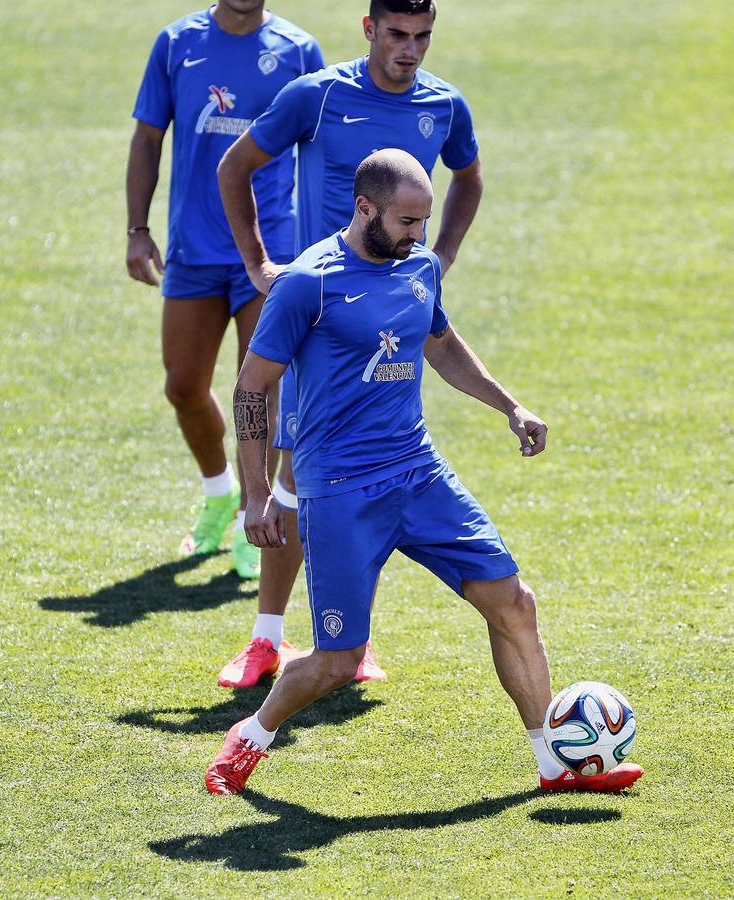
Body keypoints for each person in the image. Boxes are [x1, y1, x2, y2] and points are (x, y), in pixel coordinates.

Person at [205, 150, 645, 795]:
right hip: (341, 492)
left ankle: (556, 763)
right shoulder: (309, 283)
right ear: (365, 208)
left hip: (419, 474)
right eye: (407, 222)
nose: (418, 236)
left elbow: (439, 344)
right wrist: (257, 495)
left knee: (513, 603)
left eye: (425, 221)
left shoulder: (419, 270)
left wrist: (510, 405)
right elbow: (251, 389)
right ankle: (252, 736)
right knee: (337, 661)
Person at [214, 0, 484, 688]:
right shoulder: (318, 94)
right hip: (321, 315)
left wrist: (442, 255)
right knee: (293, 470)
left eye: (423, 36)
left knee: (370, 472)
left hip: (384, 319)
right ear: (369, 29)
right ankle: (267, 638)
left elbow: (469, 177)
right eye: (397, 33)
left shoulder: (444, 105)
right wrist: (257, 265)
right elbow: (235, 165)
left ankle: (347, 638)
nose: (410, 49)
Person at [126, 1, 323, 578]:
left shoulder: (298, 50)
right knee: (183, 387)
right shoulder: (175, 42)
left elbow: (318, 156)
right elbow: (147, 138)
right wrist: (138, 230)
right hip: (192, 247)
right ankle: (217, 488)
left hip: (269, 253)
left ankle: (247, 516)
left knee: (255, 393)